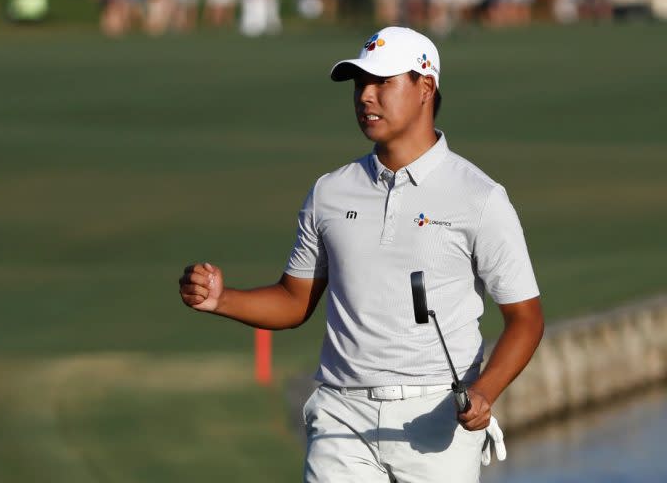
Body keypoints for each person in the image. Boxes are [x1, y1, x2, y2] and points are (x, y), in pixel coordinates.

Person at [179, 26, 544, 482]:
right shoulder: (330, 192)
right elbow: (295, 301)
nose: (365, 97)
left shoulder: (480, 197)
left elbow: (526, 318)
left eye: (382, 82)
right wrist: (221, 298)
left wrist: (484, 391)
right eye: (359, 85)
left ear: (425, 86)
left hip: (437, 419)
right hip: (340, 416)